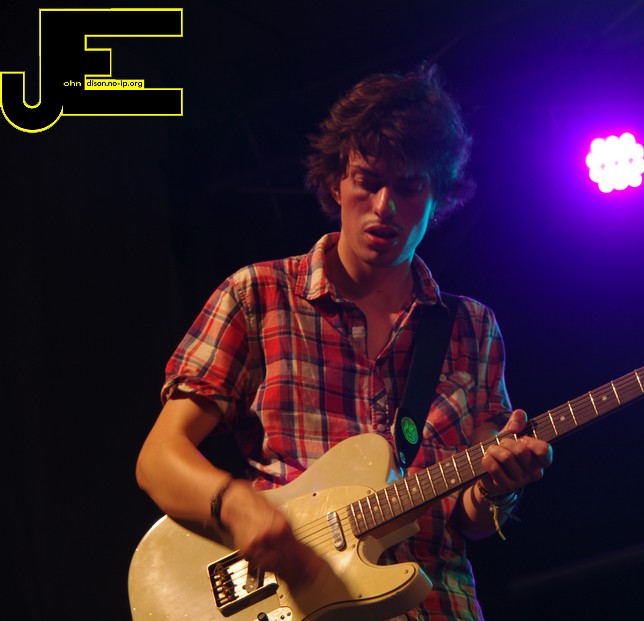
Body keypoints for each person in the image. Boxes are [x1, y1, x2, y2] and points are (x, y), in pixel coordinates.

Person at [135, 63, 553, 620]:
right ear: (337, 182)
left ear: (438, 196)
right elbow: (159, 459)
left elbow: (472, 520)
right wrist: (235, 505)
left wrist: (499, 487)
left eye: (409, 187)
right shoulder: (258, 295)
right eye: (367, 181)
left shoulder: (471, 328)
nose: (384, 206)